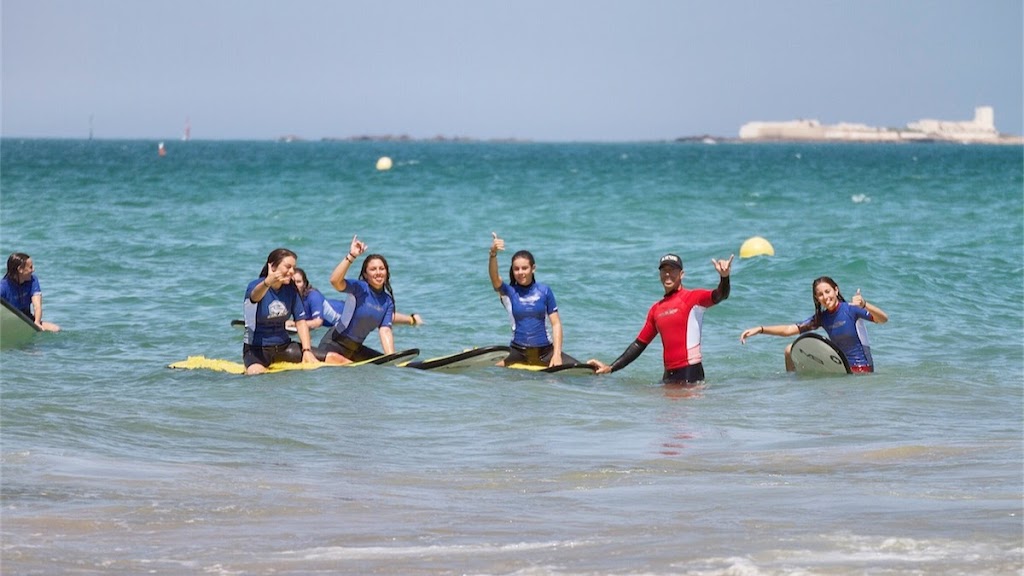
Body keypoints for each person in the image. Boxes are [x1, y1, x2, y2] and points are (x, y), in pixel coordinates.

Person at [590, 252, 734, 385]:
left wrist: (724, 277)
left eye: (672, 270)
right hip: (668, 375)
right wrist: (611, 367)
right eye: (664, 270)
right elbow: (639, 345)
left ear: (682, 274)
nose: (667, 274)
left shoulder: (692, 298)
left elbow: (720, 295)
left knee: (687, 413)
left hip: (691, 373)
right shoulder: (656, 309)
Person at [739, 276, 888, 373]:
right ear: (817, 298)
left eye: (827, 291)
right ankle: (792, 385)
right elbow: (789, 329)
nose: (825, 297)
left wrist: (865, 305)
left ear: (836, 290)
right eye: (820, 294)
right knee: (789, 350)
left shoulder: (851, 309)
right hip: (839, 369)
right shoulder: (822, 318)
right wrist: (760, 329)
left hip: (862, 370)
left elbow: (883, 319)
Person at [488, 232, 581, 368]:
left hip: (545, 352)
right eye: (516, 269)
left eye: (524, 268)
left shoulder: (545, 291)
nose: (520, 272)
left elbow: (556, 324)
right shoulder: (509, 292)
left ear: (533, 269)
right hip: (517, 352)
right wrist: (493, 254)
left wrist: (556, 354)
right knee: (490, 369)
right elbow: (495, 278)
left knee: (584, 371)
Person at [317, 235, 401, 363]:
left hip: (355, 350)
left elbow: (385, 330)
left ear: (387, 272)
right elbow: (334, 281)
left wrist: (392, 359)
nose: (378, 272)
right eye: (373, 269)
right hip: (333, 345)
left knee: (382, 366)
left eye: (381, 269)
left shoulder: (387, 301)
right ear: (366, 275)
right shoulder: (359, 288)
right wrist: (351, 256)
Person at [242, 248, 318, 375]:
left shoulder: (290, 289)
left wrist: (306, 350)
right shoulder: (255, 286)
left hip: (284, 347)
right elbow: (255, 297)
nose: (292, 271)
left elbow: (300, 321)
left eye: (294, 268)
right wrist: (267, 282)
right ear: (272, 266)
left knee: (333, 358)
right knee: (256, 374)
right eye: (288, 267)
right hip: (256, 350)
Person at [291, 267, 423, 331]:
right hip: (339, 312)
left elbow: (316, 323)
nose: (295, 285)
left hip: (347, 314)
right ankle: (412, 319)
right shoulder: (293, 298)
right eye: (292, 281)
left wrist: (294, 324)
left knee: (379, 316)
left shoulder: (313, 296)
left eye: (298, 281)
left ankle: (412, 319)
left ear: (305, 283)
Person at [0, 252, 60, 332]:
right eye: (30, 267)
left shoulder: (33, 280)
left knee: (55, 329)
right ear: (20, 269)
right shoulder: (3, 286)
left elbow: (37, 306)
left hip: (26, 319)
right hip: (8, 322)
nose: (33, 270)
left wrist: (37, 322)